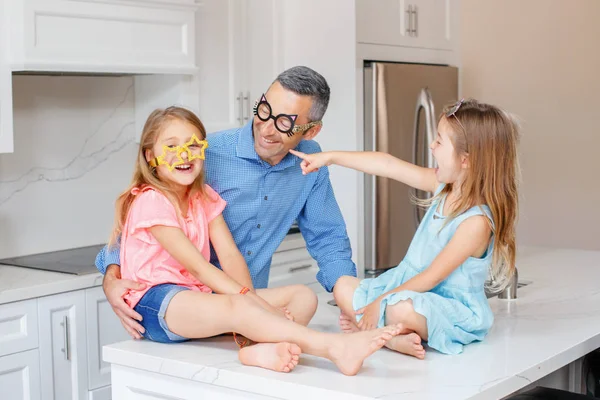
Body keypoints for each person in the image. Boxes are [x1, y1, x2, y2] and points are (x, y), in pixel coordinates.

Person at [110, 105, 401, 375]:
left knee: (303, 296)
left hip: (196, 298)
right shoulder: (151, 201)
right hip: (156, 304)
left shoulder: (204, 197)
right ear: (150, 156)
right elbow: (200, 268)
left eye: (193, 145)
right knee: (242, 305)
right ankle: (332, 348)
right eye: (171, 146)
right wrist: (251, 302)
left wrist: (251, 298)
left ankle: (254, 349)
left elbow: (229, 255)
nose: (184, 154)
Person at [95, 66, 357, 339]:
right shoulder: (203, 154)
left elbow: (328, 237)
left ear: (311, 131)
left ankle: (261, 344)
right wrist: (111, 278)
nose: (266, 128)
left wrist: (350, 297)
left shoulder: (311, 161)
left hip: (246, 298)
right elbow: (141, 224)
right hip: (191, 306)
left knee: (304, 299)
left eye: (284, 123)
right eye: (264, 110)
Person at [290, 98, 520, 358]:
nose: (432, 146)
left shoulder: (476, 222)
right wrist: (329, 158)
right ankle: (390, 337)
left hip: (445, 306)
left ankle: (375, 332)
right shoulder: (444, 188)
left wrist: (380, 302)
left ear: (465, 160)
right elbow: (386, 164)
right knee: (342, 286)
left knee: (402, 309)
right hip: (405, 286)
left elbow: (431, 277)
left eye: (440, 141)